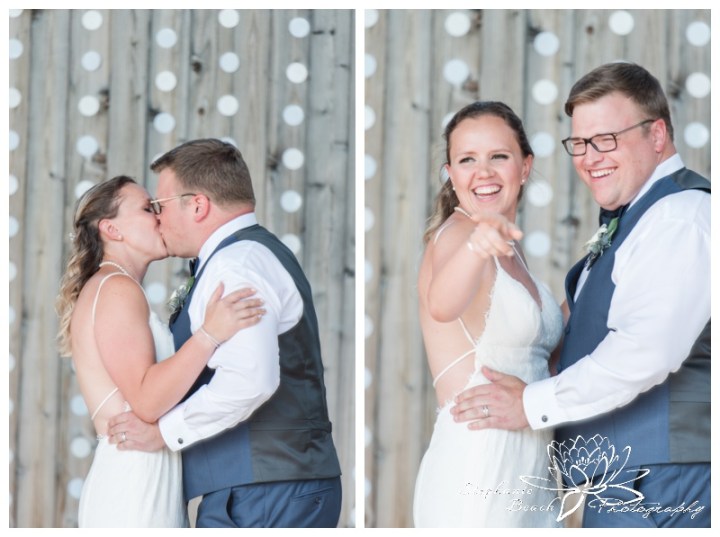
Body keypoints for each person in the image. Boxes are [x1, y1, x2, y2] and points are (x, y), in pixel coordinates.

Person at [451, 63, 710, 528]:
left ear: (656, 135)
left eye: (606, 139)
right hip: (631, 478)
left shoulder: (678, 217)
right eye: (580, 143)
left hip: (661, 482)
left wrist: (528, 404)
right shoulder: (636, 219)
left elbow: (644, 351)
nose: (590, 157)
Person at [105, 139, 342, 528]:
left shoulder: (236, 266)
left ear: (198, 205)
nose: (158, 218)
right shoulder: (244, 255)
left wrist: (164, 433)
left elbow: (251, 379)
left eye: (160, 206)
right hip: (265, 486)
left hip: (266, 491)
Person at [56, 175, 265, 527]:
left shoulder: (114, 286)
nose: (159, 215)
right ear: (112, 229)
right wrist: (209, 334)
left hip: (146, 471)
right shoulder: (115, 288)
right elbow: (147, 400)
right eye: (146, 208)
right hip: (134, 482)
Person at [412, 101, 563, 527]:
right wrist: (477, 245)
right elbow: (442, 305)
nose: (483, 172)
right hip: (480, 464)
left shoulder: (508, 245)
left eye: (498, 156)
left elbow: (538, 353)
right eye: (467, 160)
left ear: (525, 166)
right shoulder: (458, 235)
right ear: (450, 173)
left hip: (529, 467)